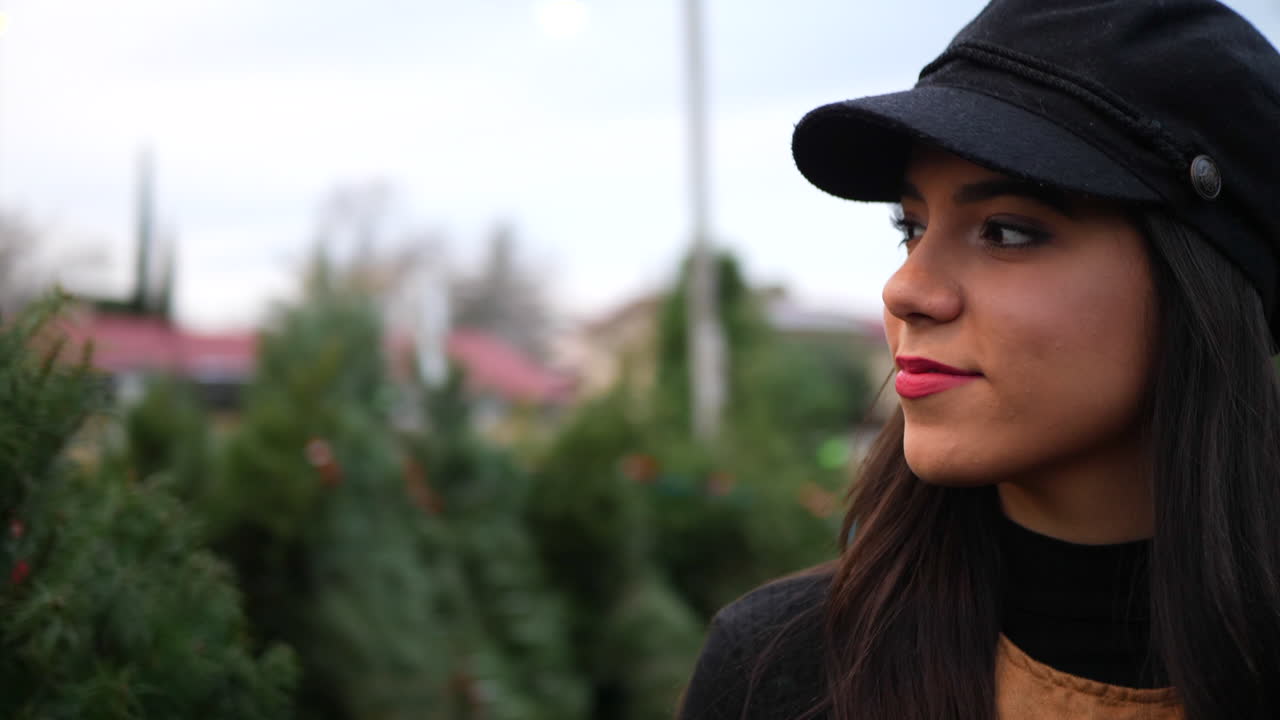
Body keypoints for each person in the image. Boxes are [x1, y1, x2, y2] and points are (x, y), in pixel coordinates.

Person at [677, 1, 1280, 719]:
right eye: (912, 227)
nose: (906, 290)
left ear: (1201, 285)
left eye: (1007, 231)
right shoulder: (780, 671)